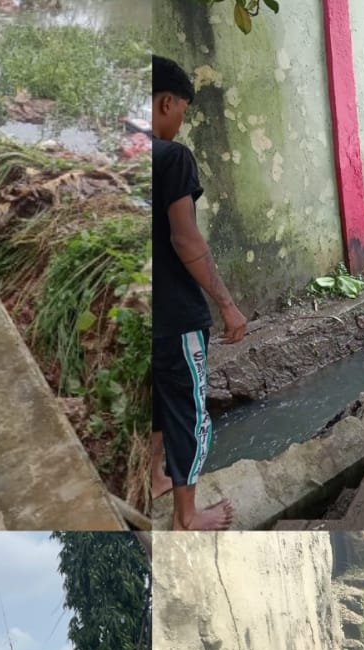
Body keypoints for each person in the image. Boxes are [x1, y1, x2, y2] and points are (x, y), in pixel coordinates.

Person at [151, 54, 247, 531]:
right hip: (175, 315)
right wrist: (226, 304)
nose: (179, 122)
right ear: (167, 102)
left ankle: (155, 479)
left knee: (157, 402)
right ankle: (186, 517)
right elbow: (185, 237)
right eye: (182, 111)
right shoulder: (171, 157)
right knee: (188, 412)